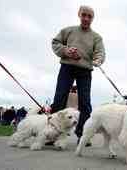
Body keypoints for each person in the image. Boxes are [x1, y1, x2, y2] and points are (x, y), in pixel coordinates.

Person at [50, 5, 106, 145]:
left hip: (85, 71)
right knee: (59, 98)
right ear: (79, 14)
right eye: (84, 15)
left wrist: (98, 60)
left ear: (93, 18)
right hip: (67, 67)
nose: (86, 18)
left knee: (85, 103)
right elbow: (55, 42)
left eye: (89, 16)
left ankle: (83, 135)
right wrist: (66, 51)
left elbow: (100, 52)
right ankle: (52, 133)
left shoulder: (96, 37)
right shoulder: (68, 31)